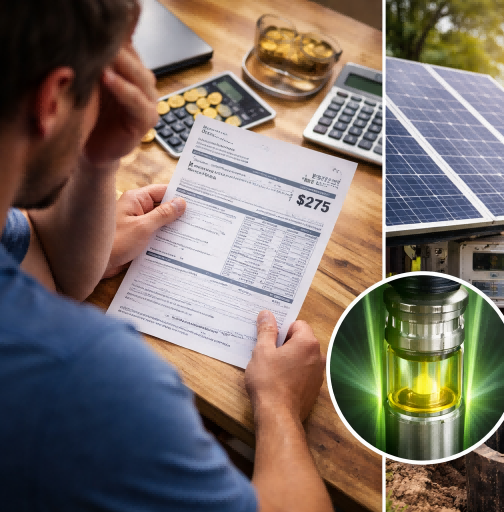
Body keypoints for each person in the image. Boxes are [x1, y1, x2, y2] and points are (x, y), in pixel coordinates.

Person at [0, 1, 332, 510]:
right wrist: (281, 405)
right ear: (53, 99)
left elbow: (46, 263)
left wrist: (97, 160)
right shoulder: (88, 377)